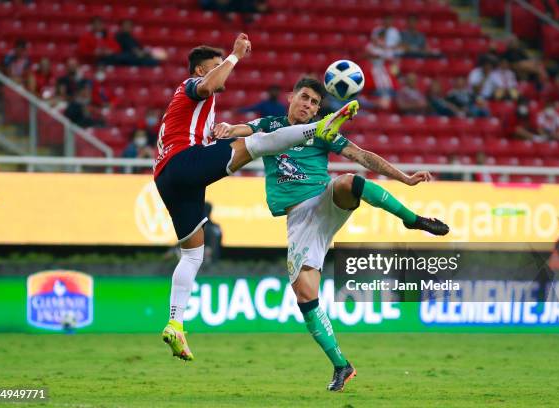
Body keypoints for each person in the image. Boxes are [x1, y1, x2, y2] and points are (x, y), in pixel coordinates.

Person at [213, 77, 449, 392]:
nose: (308, 105)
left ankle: (412, 219)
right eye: (305, 98)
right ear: (291, 97)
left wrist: (405, 178)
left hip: (325, 201)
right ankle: (341, 365)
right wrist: (228, 127)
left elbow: (362, 155)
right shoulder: (271, 124)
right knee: (305, 296)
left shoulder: (323, 132)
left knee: (347, 181)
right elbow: (244, 129)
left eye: (314, 103)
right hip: (299, 221)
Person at [157, 33, 360, 362]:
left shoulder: (193, 107)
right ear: (198, 71)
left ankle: (175, 323)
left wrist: (225, 129)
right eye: (214, 66)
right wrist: (235, 56)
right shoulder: (192, 86)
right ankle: (322, 126)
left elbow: (210, 119)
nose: (221, 71)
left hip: (167, 178)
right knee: (260, 143)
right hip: (183, 163)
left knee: (192, 255)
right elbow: (208, 85)